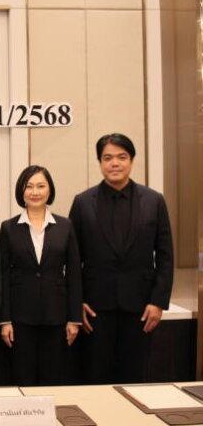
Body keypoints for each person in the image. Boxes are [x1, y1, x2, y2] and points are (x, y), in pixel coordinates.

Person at [69, 133, 174, 384]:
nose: (114, 163)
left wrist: (158, 301)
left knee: (135, 377)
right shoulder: (83, 202)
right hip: (94, 309)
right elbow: (72, 259)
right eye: (107, 158)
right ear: (100, 162)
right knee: (95, 377)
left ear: (132, 160)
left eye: (121, 157)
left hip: (140, 308)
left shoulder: (154, 201)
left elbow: (165, 255)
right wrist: (76, 302)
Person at [0, 165, 82, 386]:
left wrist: (74, 318)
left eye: (41, 186)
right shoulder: (8, 228)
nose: (35, 192)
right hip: (20, 319)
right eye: (29, 186)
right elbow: (2, 276)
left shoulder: (65, 226)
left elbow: (74, 274)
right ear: (21, 191)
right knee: (22, 378)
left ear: (49, 190)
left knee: (53, 379)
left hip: (56, 317)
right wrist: (4, 320)